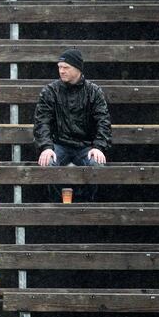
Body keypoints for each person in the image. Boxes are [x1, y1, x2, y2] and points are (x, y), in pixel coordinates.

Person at [33, 48, 111, 202]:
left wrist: (99, 146)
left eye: (66, 67)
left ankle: (84, 204)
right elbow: (42, 122)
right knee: (47, 163)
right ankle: (57, 205)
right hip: (59, 144)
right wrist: (46, 147)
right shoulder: (50, 91)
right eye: (59, 67)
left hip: (86, 146)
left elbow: (103, 121)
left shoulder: (94, 92)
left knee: (97, 165)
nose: (61, 71)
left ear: (78, 68)